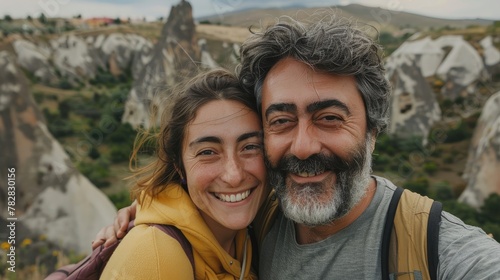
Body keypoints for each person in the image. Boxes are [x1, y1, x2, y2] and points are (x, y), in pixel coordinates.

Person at [94, 15, 500, 279]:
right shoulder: (258, 215)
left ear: (374, 130)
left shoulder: (438, 250)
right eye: (282, 121)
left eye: (329, 118)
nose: (303, 147)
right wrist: (147, 212)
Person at [99, 69, 267, 279]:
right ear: (179, 165)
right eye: (207, 152)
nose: (234, 176)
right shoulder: (156, 256)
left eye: (250, 147)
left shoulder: (255, 232)